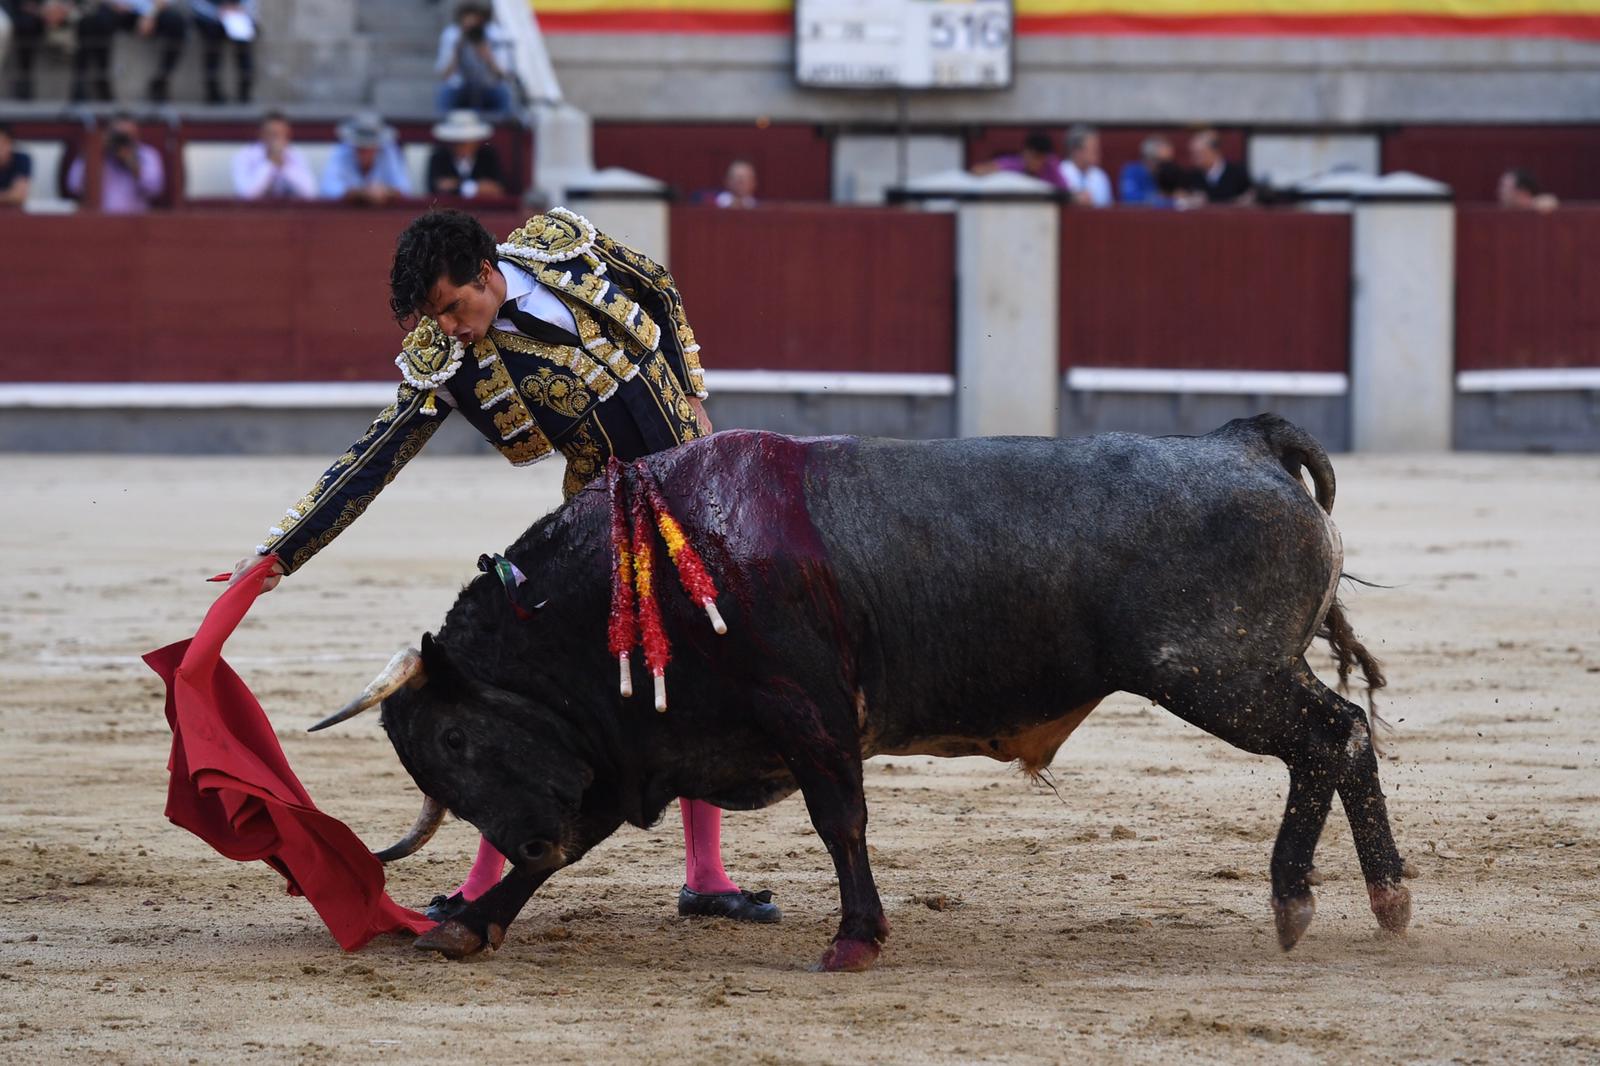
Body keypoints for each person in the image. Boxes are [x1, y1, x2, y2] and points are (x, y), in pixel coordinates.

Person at [227, 207, 780, 926]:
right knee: (540, 695)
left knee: (694, 669)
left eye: (454, 307)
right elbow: (375, 455)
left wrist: (695, 393)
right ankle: (484, 880)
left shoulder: (562, 246)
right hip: (603, 523)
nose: (450, 328)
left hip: (705, 499)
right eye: (435, 317)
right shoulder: (450, 362)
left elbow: (657, 287)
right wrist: (281, 551)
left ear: (487, 272)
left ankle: (706, 876)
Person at [73, 0, 188, 103]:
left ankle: (160, 81)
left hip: (152, 11)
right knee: (91, 23)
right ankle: (97, 81)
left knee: (177, 23)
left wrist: (150, 15)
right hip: (116, 9)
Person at [66, 111, 165, 213]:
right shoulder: (96, 154)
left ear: (136, 135)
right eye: (119, 136)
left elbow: (154, 189)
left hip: (135, 222)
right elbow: (74, 186)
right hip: (100, 221)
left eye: (127, 136)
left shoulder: (147, 155)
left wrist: (132, 163)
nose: (122, 140)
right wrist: (93, 154)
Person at [435, 0, 514, 115]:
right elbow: (444, 75)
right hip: (461, 87)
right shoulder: (452, 35)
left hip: (489, 86)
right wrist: (457, 51)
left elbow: (504, 74)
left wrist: (488, 57)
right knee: (445, 92)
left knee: (503, 93)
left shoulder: (495, 35)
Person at [320, 112, 412, 205]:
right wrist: (361, 194)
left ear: (378, 145)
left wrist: (385, 192)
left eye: (370, 146)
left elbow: (404, 189)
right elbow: (328, 189)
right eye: (360, 146)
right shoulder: (342, 151)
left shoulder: (388, 152)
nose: (365, 151)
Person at [231, 110, 315, 200]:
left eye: (281, 134)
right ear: (261, 134)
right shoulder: (245, 156)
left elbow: (310, 193)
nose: (276, 139)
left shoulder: (294, 154)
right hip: (254, 212)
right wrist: (270, 163)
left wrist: (285, 166)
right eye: (272, 134)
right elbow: (247, 194)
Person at [425, 108, 506, 200]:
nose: (462, 146)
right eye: (458, 142)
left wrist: (459, 186)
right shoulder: (438, 157)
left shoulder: (488, 156)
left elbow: (497, 189)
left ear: (476, 141)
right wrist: (477, 187)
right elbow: (435, 188)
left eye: (466, 141)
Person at [189, 0, 256, 104]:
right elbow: (197, 4)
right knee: (213, 41)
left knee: (243, 40)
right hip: (210, 20)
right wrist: (217, 12)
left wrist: (239, 10)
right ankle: (213, 90)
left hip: (238, 18)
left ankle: (245, 89)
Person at [971, 129, 1068, 189]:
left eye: (1040, 158)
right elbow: (977, 171)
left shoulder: (1050, 166)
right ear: (1025, 152)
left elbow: (1067, 192)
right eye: (1034, 156)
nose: (1036, 162)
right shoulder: (1013, 165)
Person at [1184, 127, 1252, 205]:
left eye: (1199, 153)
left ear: (1215, 151)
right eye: (1192, 154)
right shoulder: (1191, 176)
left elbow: (1249, 197)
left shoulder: (1237, 173)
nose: (1194, 158)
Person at [1058, 124, 1112, 207]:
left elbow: (1106, 209)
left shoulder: (1100, 176)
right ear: (1077, 151)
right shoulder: (1060, 172)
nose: (1098, 152)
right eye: (1093, 149)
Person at [1118, 134, 1173, 205]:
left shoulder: (1167, 174)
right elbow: (1128, 197)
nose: (1166, 167)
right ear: (1149, 159)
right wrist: (1157, 197)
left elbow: (1177, 200)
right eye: (1161, 162)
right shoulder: (1132, 171)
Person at [0, 123, 32, 208]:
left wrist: (12, 196)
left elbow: (18, 196)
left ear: (9, 143)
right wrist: (8, 195)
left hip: (14, 215)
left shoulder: (21, 159)